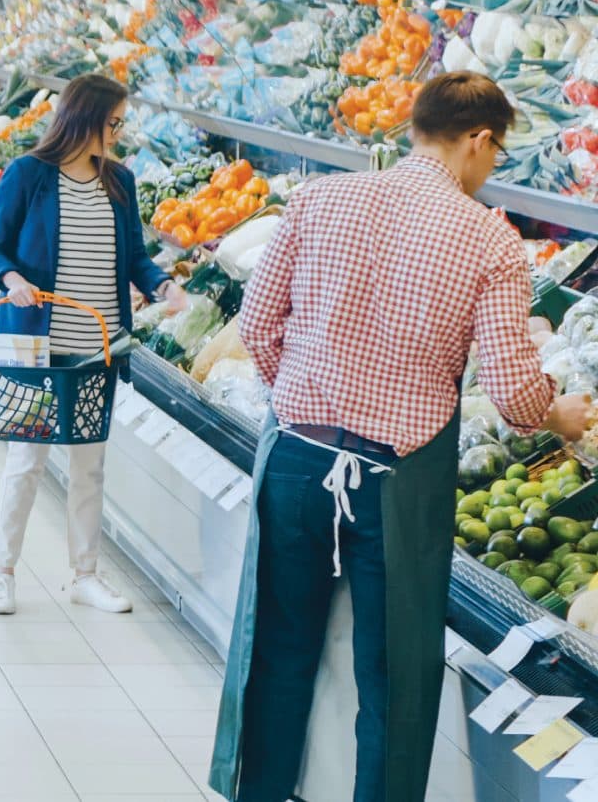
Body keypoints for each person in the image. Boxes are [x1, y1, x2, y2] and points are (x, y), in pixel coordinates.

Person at [209, 71, 595, 802]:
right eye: (497, 152)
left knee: (278, 649)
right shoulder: (488, 237)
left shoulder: (319, 200)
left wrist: (308, 392)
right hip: (397, 483)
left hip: (297, 454)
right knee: (395, 678)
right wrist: (558, 414)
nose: (492, 168)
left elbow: (259, 328)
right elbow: (514, 395)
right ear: (478, 139)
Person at [0, 74, 182, 616]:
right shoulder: (28, 175)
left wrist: (161, 284)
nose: (117, 132)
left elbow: (134, 256)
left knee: (90, 465)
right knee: (27, 461)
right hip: (37, 347)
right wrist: (11, 281)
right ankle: (1, 575)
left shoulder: (120, 181)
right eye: (113, 122)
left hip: (98, 347)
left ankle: (85, 575)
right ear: (85, 118)